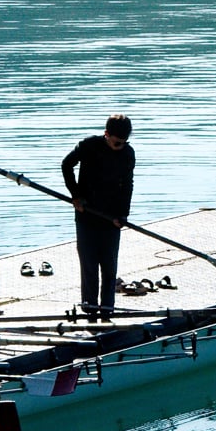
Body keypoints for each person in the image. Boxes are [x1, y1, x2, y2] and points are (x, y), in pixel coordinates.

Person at [62, 114, 134, 321]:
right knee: (89, 265)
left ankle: (107, 310)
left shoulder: (128, 154)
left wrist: (123, 215)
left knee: (110, 267)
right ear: (106, 134)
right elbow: (66, 165)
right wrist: (75, 195)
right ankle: (90, 308)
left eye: (124, 143)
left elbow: (127, 185)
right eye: (116, 142)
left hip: (111, 217)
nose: (120, 146)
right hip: (86, 214)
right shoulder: (88, 146)